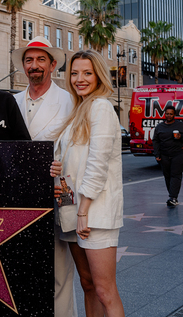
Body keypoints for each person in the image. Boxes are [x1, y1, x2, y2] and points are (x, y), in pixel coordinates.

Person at [56, 50, 124, 316]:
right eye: (74, 73)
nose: (79, 79)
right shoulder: (78, 109)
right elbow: (73, 160)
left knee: (105, 290)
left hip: (94, 213)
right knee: (87, 285)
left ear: (98, 76)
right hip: (72, 211)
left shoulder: (101, 107)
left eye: (87, 73)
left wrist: (84, 211)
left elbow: (98, 163)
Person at [12, 36, 76, 317]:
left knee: (60, 269)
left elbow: (76, 148)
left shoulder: (69, 101)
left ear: (52, 65)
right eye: (29, 60)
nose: (34, 65)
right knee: (22, 266)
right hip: (18, 197)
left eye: (40, 60)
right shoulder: (11, 102)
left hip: (55, 194)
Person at [152, 105, 183, 207]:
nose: (169, 115)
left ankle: (173, 197)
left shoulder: (180, 125)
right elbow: (155, 141)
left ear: (174, 115)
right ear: (164, 114)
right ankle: (172, 196)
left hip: (178, 154)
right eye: (167, 114)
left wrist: (180, 136)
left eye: (171, 114)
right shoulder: (160, 127)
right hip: (164, 155)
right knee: (167, 176)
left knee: (175, 175)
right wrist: (157, 154)